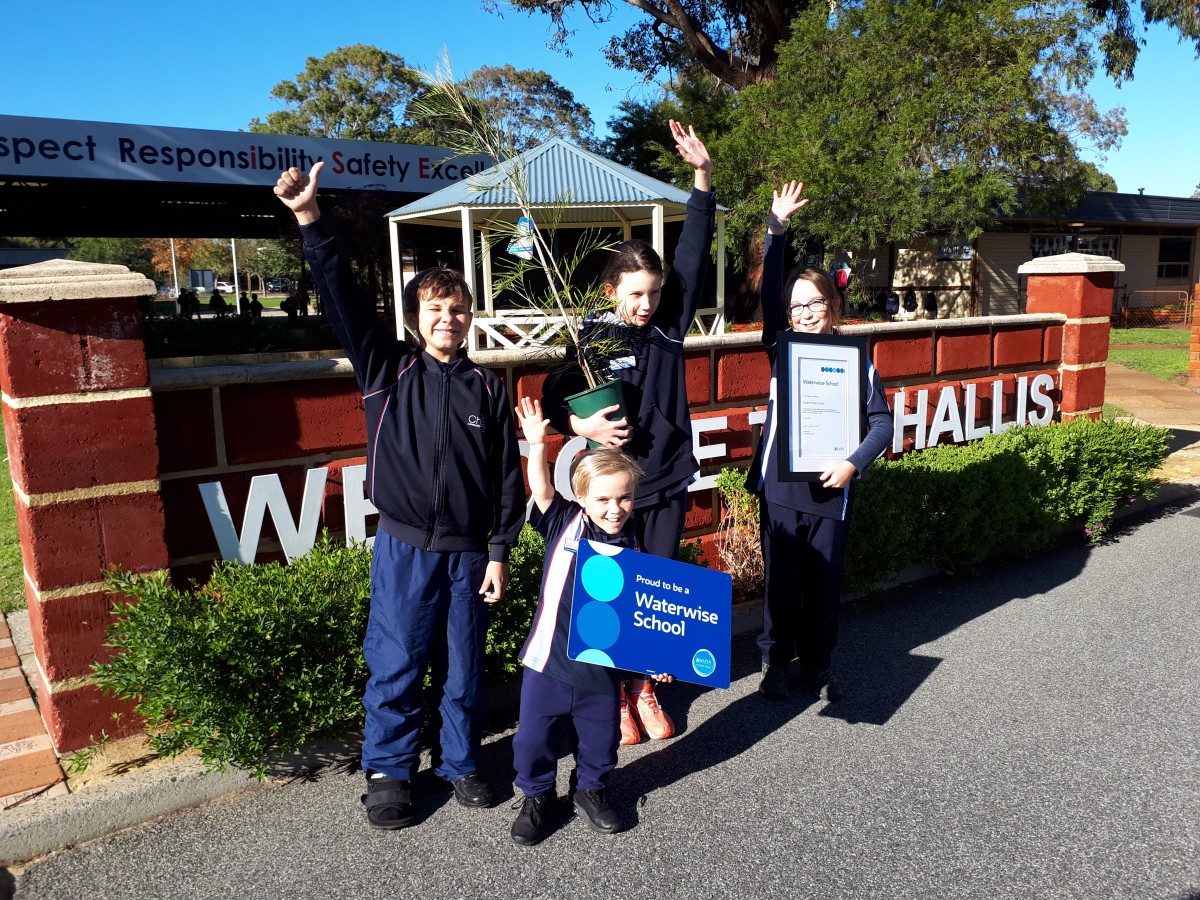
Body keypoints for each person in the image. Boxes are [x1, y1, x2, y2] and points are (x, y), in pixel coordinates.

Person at [274, 161, 525, 829]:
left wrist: (500, 551)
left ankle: (460, 760)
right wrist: (310, 220)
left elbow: (508, 479)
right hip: (406, 548)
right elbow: (342, 299)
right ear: (417, 318)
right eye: (435, 309)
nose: (448, 317)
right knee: (396, 662)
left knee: (465, 670)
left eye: (458, 308)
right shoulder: (388, 370)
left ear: (471, 316)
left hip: (470, 555)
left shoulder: (488, 392)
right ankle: (388, 770)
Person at [541, 119, 715, 745]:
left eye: (653, 292)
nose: (644, 304)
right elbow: (552, 397)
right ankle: (613, 698)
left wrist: (701, 180)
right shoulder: (590, 337)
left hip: (663, 482)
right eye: (635, 293)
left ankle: (645, 689)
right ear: (612, 290)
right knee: (611, 597)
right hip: (611, 490)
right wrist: (576, 422)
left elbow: (693, 252)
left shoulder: (668, 327)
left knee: (657, 588)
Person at [748, 180, 894, 703]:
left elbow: (882, 423)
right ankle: (774, 664)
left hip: (832, 488)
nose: (806, 312)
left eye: (815, 303)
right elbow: (767, 295)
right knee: (781, 586)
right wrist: (776, 230)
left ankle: (817, 664)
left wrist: (854, 464)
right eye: (797, 307)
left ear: (832, 304)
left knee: (822, 588)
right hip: (783, 486)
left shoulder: (857, 360)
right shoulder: (780, 347)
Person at [510, 397, 674, 846]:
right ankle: (537, 795)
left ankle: (590, 790)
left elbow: (647, 614)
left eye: (624, 497)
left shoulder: (636, 544)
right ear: (581, 496)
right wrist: (538, 445)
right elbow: (541, 490)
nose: (614, 507)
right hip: (548, 659)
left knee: (601, 740)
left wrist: (654, 658)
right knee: (533, 740)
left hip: (600, 669)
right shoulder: (563, 519)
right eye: (603, 498)